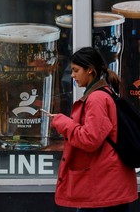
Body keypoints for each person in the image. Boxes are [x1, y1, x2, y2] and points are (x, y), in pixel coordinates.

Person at [45, 47, 138, 211]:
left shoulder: (96, 99)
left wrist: (61, 122)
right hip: (110, 184)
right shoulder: (105, 93)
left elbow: (90, 140)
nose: (72, 75)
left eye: (76, 70)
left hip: (105, 188)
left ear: (90, 70)